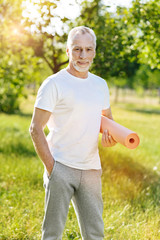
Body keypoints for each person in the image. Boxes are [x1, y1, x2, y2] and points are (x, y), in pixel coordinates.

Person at [29, 26, 116, 240]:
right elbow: (35, 128)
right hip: (61, 166)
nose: (83, 55)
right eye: (77, 49)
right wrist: (52, 168)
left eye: (88, 49)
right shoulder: (54, 84)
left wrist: (111, 137)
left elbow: (107, 121)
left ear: (94, 52)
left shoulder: (100, 85)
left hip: (91, 169)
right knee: (52, 234)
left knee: (95, 233)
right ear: (68, 51)